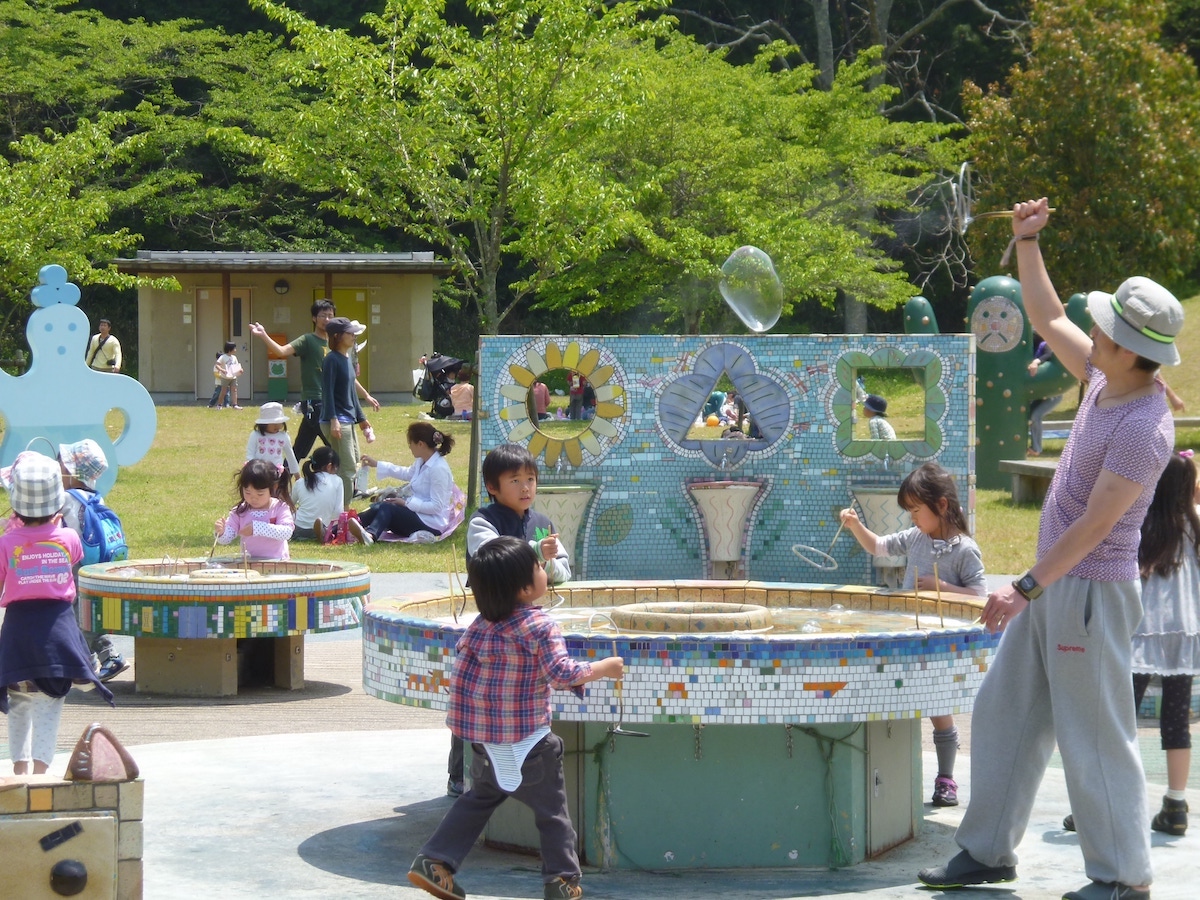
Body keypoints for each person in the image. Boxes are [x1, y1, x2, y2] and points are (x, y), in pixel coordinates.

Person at [919, 198, 1185, 900]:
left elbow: (1096, 528)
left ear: (1134, 349)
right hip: (1053, 585)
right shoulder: (1104, 378)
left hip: (1089, 593)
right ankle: (985, 850)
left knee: (1095, 736)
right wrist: (1027, 241)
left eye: (1107, 329)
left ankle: (1123, 875)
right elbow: (1047, 318)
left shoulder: (1145, 428)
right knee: (1005, 712)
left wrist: (1023, 586)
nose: (1092, 332)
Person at [406, 536, 623, 900]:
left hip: (486, 743)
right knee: (552, 814)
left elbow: (462, 678)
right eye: (538, 567)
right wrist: (604, 668)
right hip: (532, 744)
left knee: (477, 801)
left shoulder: (479, 626)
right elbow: (561, 673)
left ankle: (435, 861)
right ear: (525, 587)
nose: (543, 569)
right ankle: (561, 881)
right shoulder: (540, 625)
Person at [840, 462, 985, 808]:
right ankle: (887, 772)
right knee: (895, 699)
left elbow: (980, 597)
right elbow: (878, 547)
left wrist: (942, 587)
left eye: (916, 511)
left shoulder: (964, 549)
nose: (912, 519)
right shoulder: (916, 538)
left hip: (936, 643)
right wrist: (856, 525)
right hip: (907, 636)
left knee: (938, 707)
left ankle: (946, 777)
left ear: (941, 506)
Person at [443, 443, 573, 796]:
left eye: (530, 479)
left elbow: (563, 571)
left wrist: (547, 561)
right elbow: (492, 557)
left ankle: (517, 769)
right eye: (515, 480)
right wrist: (535, 553)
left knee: (516, 699)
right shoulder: (483, 521)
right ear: (492, 487)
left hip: (527, 626)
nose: (526, 487)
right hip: (492, 624)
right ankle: (461, 774)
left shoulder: (543, 524)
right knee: (474, 696)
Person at [0, 451, 113, 775]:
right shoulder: (68, 538)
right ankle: (40, 771)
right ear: (57, 502)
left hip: (17, 635)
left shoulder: (6, 543)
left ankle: (19, 770)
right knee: (49, 706)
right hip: (57, 634)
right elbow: (73, 559)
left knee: (19, 705)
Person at [250, 301, 380, 463]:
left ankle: (283, 479)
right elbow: (281, 351)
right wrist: (263, 335)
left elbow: (347, 377)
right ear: (314, 318)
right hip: (315, 402)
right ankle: (342, 483)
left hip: (330, 404)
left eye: (330, 316)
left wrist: (366, 395)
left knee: (300, 449)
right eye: (322, 315)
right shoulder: (307, 340)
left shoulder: (339, 344)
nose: (326, 319)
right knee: (337, 449)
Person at [57, 439, 128, 682]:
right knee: (85, 615)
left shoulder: (66, 500)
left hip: (75, 565)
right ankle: (97, 659)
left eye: (61, 464)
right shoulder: (96, 498)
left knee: (76, 616)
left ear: (70, 472)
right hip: (94, 564)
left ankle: (98, 660)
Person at [353, 423, 458, 545]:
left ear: (420, 444)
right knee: (380, 506)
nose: (409, 447)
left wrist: (406, 503)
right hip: (419, 515)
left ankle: (370, 536)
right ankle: (339, 528)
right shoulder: (421, 461)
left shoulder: (439, 469)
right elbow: (406, 473)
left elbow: (436, 506)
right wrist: (377, 464)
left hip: (432, 523)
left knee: (388, 508)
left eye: (410, 444)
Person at [319, 317, 367, 508]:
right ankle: (343, 511)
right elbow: (327, 392)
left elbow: (351, 394)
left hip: (348, 420)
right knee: (346, 469)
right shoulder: (331, 359)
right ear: (337, 336)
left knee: (353, 462)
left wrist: (362, 419)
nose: (354, 336)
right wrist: (333, 420)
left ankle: (339, 505)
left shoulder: (346, 359)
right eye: (350, 333)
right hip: (337, 420)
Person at [214, 459, 295, 560]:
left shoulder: (279, 508)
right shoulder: (240, 511)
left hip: (277, 562)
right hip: (249, 565)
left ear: (273, 488)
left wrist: (257, 528)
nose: (253, 498)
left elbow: (286, 532)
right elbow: (227, 538)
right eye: (247, 492)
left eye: (260, 494)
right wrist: (221, 532)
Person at [291, 447, 343, 543]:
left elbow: (289, 504)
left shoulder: (301, 482)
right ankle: (321, 532)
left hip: (297, 527)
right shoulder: (337, 481)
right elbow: (338, 512)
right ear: (329, 466)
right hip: (322, 526)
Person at [1027, 337, 1062, 456]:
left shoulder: (1044, 344)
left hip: (1053, 394)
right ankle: (1032, 446)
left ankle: (1037, 448)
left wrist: (1036, 362)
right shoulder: (1029, 349)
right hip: (1039, 393)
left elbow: (1048, 354)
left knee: (1035, 416)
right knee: (1029, 415)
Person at [246, 402, 300, 477]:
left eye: (280, 423)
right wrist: (251, 470)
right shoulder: (255, 435)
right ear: (264, 424)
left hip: (276, 473)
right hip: (258, 474)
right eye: (274, 423)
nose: (277, 426)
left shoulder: (284, 437)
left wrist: (296, 474)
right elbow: (250, 454)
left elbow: (290, 455)